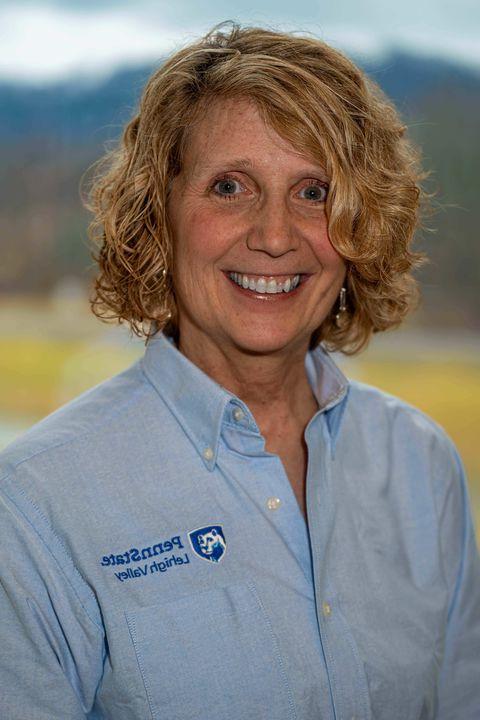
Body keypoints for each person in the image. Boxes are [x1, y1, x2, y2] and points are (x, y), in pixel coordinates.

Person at [0, 22, 479, 720]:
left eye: (313, 192)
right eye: (230, 185)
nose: (275, 235)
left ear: (362, 223)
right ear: (156, 216)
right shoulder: (38, 504)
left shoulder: (422, 465)